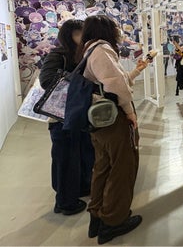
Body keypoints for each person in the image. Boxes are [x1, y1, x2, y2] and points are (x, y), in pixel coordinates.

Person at [79, 15, 148, 244]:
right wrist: (129, 112)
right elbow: (116, 86)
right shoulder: (102, 50)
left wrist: (136, 71)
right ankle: (114, 221)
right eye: (116, 28)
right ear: (106, 30)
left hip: (99, 121)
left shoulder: (88, 49)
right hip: (113, 119)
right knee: (123, 167)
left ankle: (97, 214)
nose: (119, 32)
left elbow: (112, 82)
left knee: (103, 166)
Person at [39, 19, 94, 216]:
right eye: (78, 34)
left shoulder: (84, 54)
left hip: (79, 114)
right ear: (68, 36)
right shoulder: (58, 55)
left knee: (83, 153)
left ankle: (80, 188)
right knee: (64, 158)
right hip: (61, 116)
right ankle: (64, 202)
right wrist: (81, 84)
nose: (83, 38)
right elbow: (46, 80)